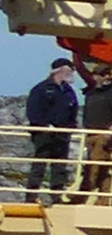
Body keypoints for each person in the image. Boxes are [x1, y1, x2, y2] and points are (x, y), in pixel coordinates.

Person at [21, 56, 83, 201]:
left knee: (60, 167)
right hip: (43, 135)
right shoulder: (41, 89)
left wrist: (71, 127)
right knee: (39, 166)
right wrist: (43, 126)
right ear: (59, 70)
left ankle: (56, 197)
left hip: (62, 135)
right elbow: (33, 111)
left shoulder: (69, 92)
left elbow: (72, 112)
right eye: (69, 70)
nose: (71, 74)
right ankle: (31, 197)